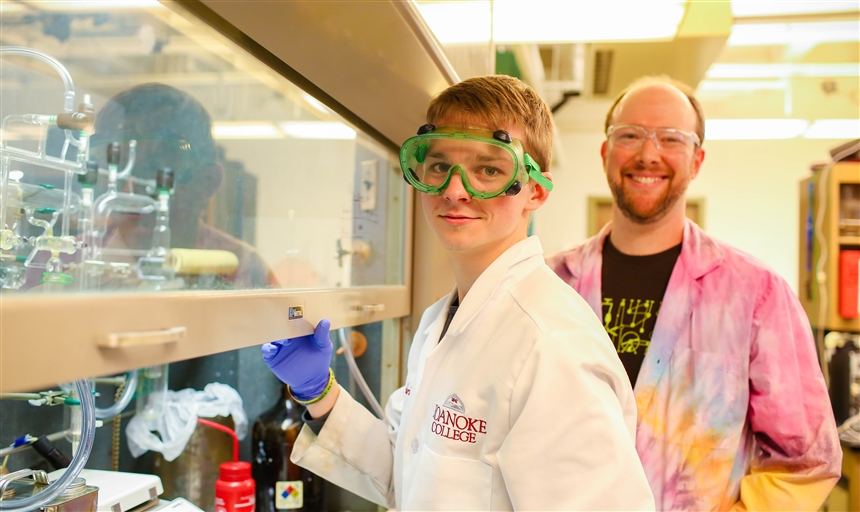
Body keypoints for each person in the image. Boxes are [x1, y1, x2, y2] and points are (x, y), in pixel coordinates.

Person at [262, 75, 655, 511]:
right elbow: (403, 468)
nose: (453, 190)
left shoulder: (552, 346)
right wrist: (319, 392)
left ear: (535, 191)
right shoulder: (442, 320)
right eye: (439, 165)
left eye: (488, 169)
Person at [547, 75, 842, 511]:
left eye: (671, 138)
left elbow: (806, 462)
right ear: (607, 152)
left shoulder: (756, 294)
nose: (648, 154)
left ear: (697, 160)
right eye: (630, 135)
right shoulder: (550, 285)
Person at [91, 83, 276, 289]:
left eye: (154, 171)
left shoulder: (244, 269)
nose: (130, 190)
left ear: (208, 181)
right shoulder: (68, 260)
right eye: (118, 167)